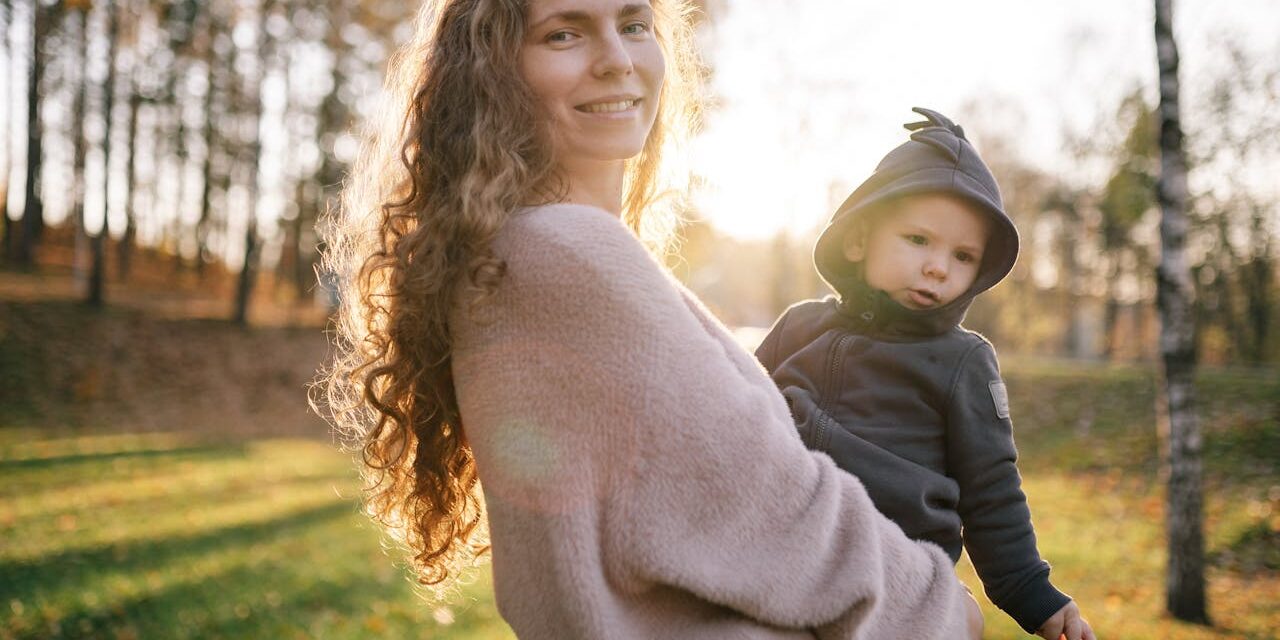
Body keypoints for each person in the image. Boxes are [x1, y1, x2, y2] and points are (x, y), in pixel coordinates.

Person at [316, 1, 983, 637]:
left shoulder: (519, 255)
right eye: (563, 34)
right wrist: (939, 606)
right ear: (494, 71)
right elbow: (770, 508)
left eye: (634, 23)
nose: (616, 59)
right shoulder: (569, 256)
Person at [755, 108, 1096, 640]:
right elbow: (736, 413)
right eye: (918, 240)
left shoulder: (963, 361)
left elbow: (992, 491)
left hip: (898, 567)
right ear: (857, 240)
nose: (939, 267)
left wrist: (1037, 599)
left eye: (962, 256)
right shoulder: (800, 326)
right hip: (780, 543)